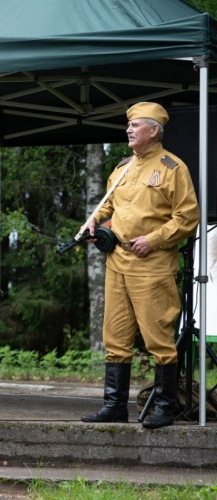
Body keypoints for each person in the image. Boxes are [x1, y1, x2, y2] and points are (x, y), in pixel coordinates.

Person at [81, 102, 199, 429]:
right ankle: (114, 406)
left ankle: (165, 406)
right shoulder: (121, 169)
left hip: (152, 262)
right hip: (116, 260)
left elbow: (188, 218)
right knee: (115, 335)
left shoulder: (173, 168)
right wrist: (96, 225)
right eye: (128, 125)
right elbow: (108, 210)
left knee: (157, 335)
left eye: (135, 125)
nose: (128, 130)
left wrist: (155, 239)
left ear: (153, 130)